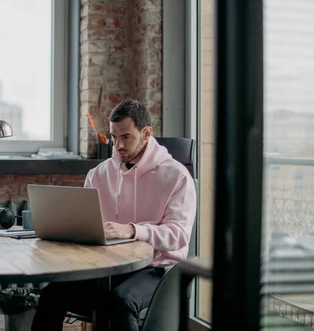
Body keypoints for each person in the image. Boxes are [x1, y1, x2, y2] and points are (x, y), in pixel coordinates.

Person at [31, 99, 197, 331]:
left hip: (158, 267)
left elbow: (178, 236)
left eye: (126, 136)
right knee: (52, 293)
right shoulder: (98, 174)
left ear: (146, 133)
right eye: (113, 137)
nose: (118, 145)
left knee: (120, 301)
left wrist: (132, 229)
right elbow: (88, 224)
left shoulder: (177, 177)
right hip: (109, 265)